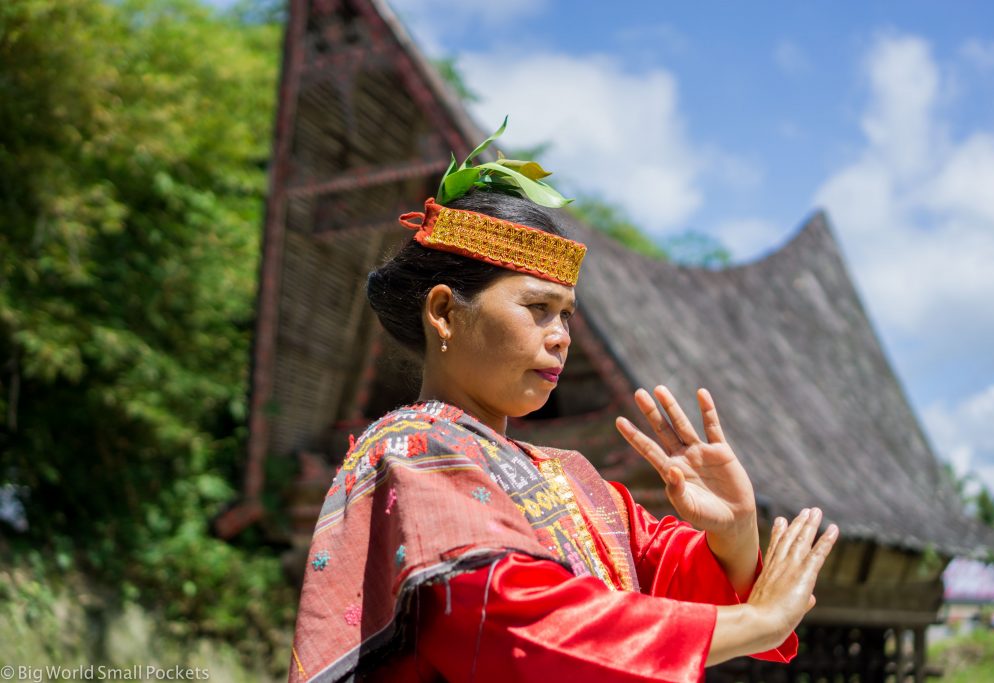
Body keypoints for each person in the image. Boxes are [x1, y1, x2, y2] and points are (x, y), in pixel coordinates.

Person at [288, 124, 838, 682]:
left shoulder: (572, 477)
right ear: (444, 312)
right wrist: (758, 622)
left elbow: (671, 578)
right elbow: (513, 624)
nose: (561, 337)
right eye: (537, 308)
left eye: (567, 314)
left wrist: (735, 532)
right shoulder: (412, 448)